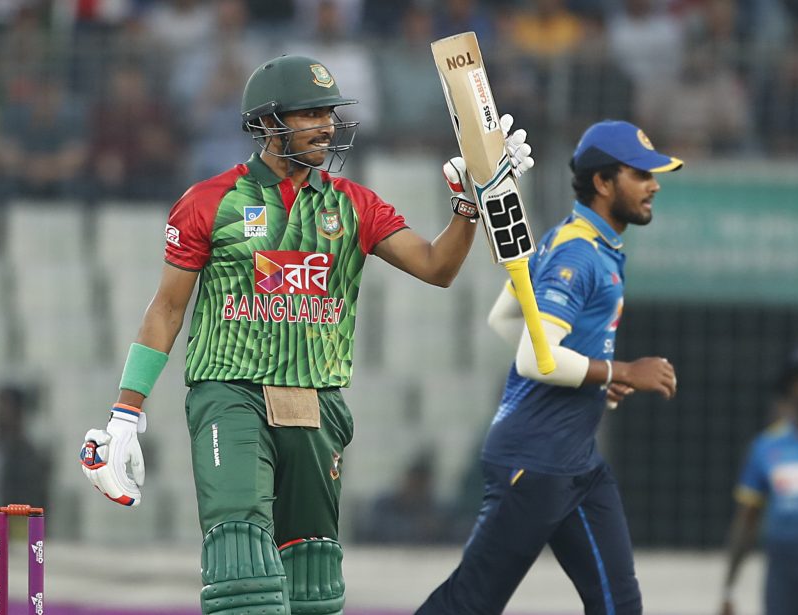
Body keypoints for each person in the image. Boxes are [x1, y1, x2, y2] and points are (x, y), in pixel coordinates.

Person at [78, 54, 534, 614]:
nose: (327, 125)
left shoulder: (355, 204)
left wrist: (470, 203)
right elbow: (167, 309)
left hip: (316, 398)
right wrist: (126, 412)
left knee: (314, 580)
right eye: (309, 113)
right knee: (240, 563)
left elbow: (437, 268)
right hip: (230, 392)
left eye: (330, 112)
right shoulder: (209, 202)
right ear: (269, 124)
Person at [415, 120, 681, 615]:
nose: (654, 185)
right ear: (603, 182)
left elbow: (505, 319)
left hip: (576, 460)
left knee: (619, 606)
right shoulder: (577, 252)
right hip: (532, 462)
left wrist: (591, 373)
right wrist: (618, 371)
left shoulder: (578, 238)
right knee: (470, 603)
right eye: (641, 174)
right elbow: (534, 358)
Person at [719, 346, 798, 615]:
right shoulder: (766, 447)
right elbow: (747, 519)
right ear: (789, 386)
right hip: (784, 568)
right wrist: (729, 588)